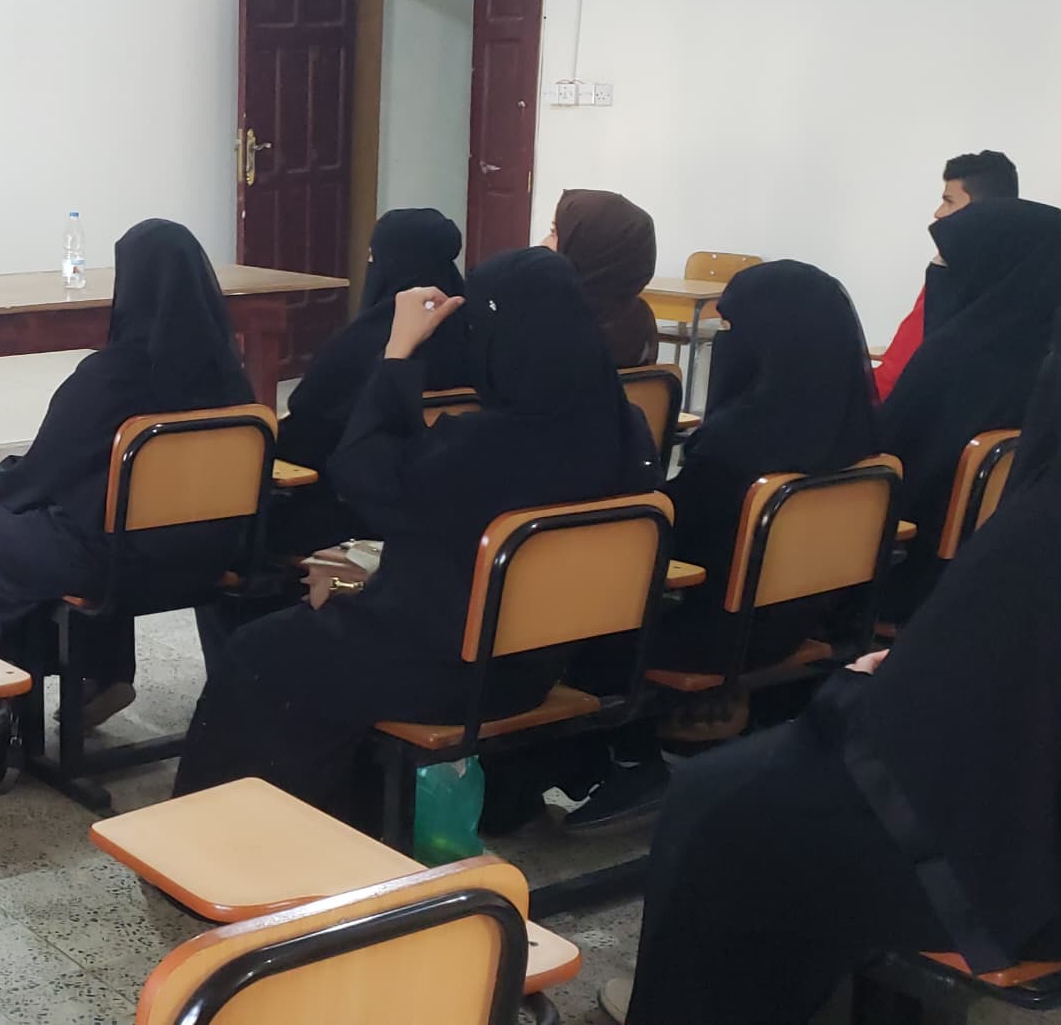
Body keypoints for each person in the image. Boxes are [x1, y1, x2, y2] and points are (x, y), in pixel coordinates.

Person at [607, 277, 1061, 1024]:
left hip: (1013, 876)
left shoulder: (1054, 536)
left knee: (714, 803)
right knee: (773, 789)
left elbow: (915, 725)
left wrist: (872, 681)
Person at [173, 248, 660, 823]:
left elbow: (360, 470)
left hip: (453, 669)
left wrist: (399, 352)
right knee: (311, 640)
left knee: (260, 653)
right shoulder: (625, 429)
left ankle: (233, 836)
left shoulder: (482, 449)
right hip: (540, 663)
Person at [561, 261, 879, 830]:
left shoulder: (740, 443)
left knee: (580, 626)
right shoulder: (861, 434)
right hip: (803, 621)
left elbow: (673, 537)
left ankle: (630, 765)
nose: (725, 343)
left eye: (732, 329)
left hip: (721, 636)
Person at [0, 220, 253, 726]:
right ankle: (101, 676)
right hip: (210, 555)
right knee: (95, 515)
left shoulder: (110, 376)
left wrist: (10, 478)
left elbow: (42, 472)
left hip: (120, 565)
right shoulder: (233, 381)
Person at [875, 196, 1061, 624]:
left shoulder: (953, 360)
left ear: (988, 266)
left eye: (948, 260)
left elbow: (884, 461)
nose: (936, 269)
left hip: (910, 576)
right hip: (1000, 579)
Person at [267, 208, 468, 555]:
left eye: (373, 255)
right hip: (445, 508)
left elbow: (309, 427)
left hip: (350, 507)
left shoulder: (363, 342)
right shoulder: (475, 335)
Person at [872, 151, 1021, 400]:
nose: (938, 213)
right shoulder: (1030, 277)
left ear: (979, 211)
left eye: (949, 201)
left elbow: (894, 379)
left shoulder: (950, 277)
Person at [546, 189, 659, 368]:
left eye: (554, 233)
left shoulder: (549, 323)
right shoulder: (640, 319)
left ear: (585, 246)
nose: (544, 243)